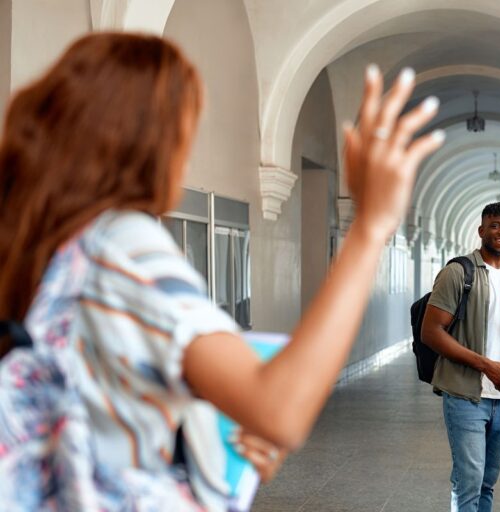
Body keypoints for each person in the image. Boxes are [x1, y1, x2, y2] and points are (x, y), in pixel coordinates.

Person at [0, 32, 444, 509]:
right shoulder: (120, 244)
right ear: (148, 142)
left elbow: (91, 410)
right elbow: (280, 411)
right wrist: (371, 225)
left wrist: (209, 440)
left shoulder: (37, 251)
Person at [421, 201, 500, 512]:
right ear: (481, 230)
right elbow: (430, 332)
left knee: (487, 483)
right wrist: (486, 365)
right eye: (496, 225)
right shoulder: (459, 272)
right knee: (469, 482)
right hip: (465, 395)